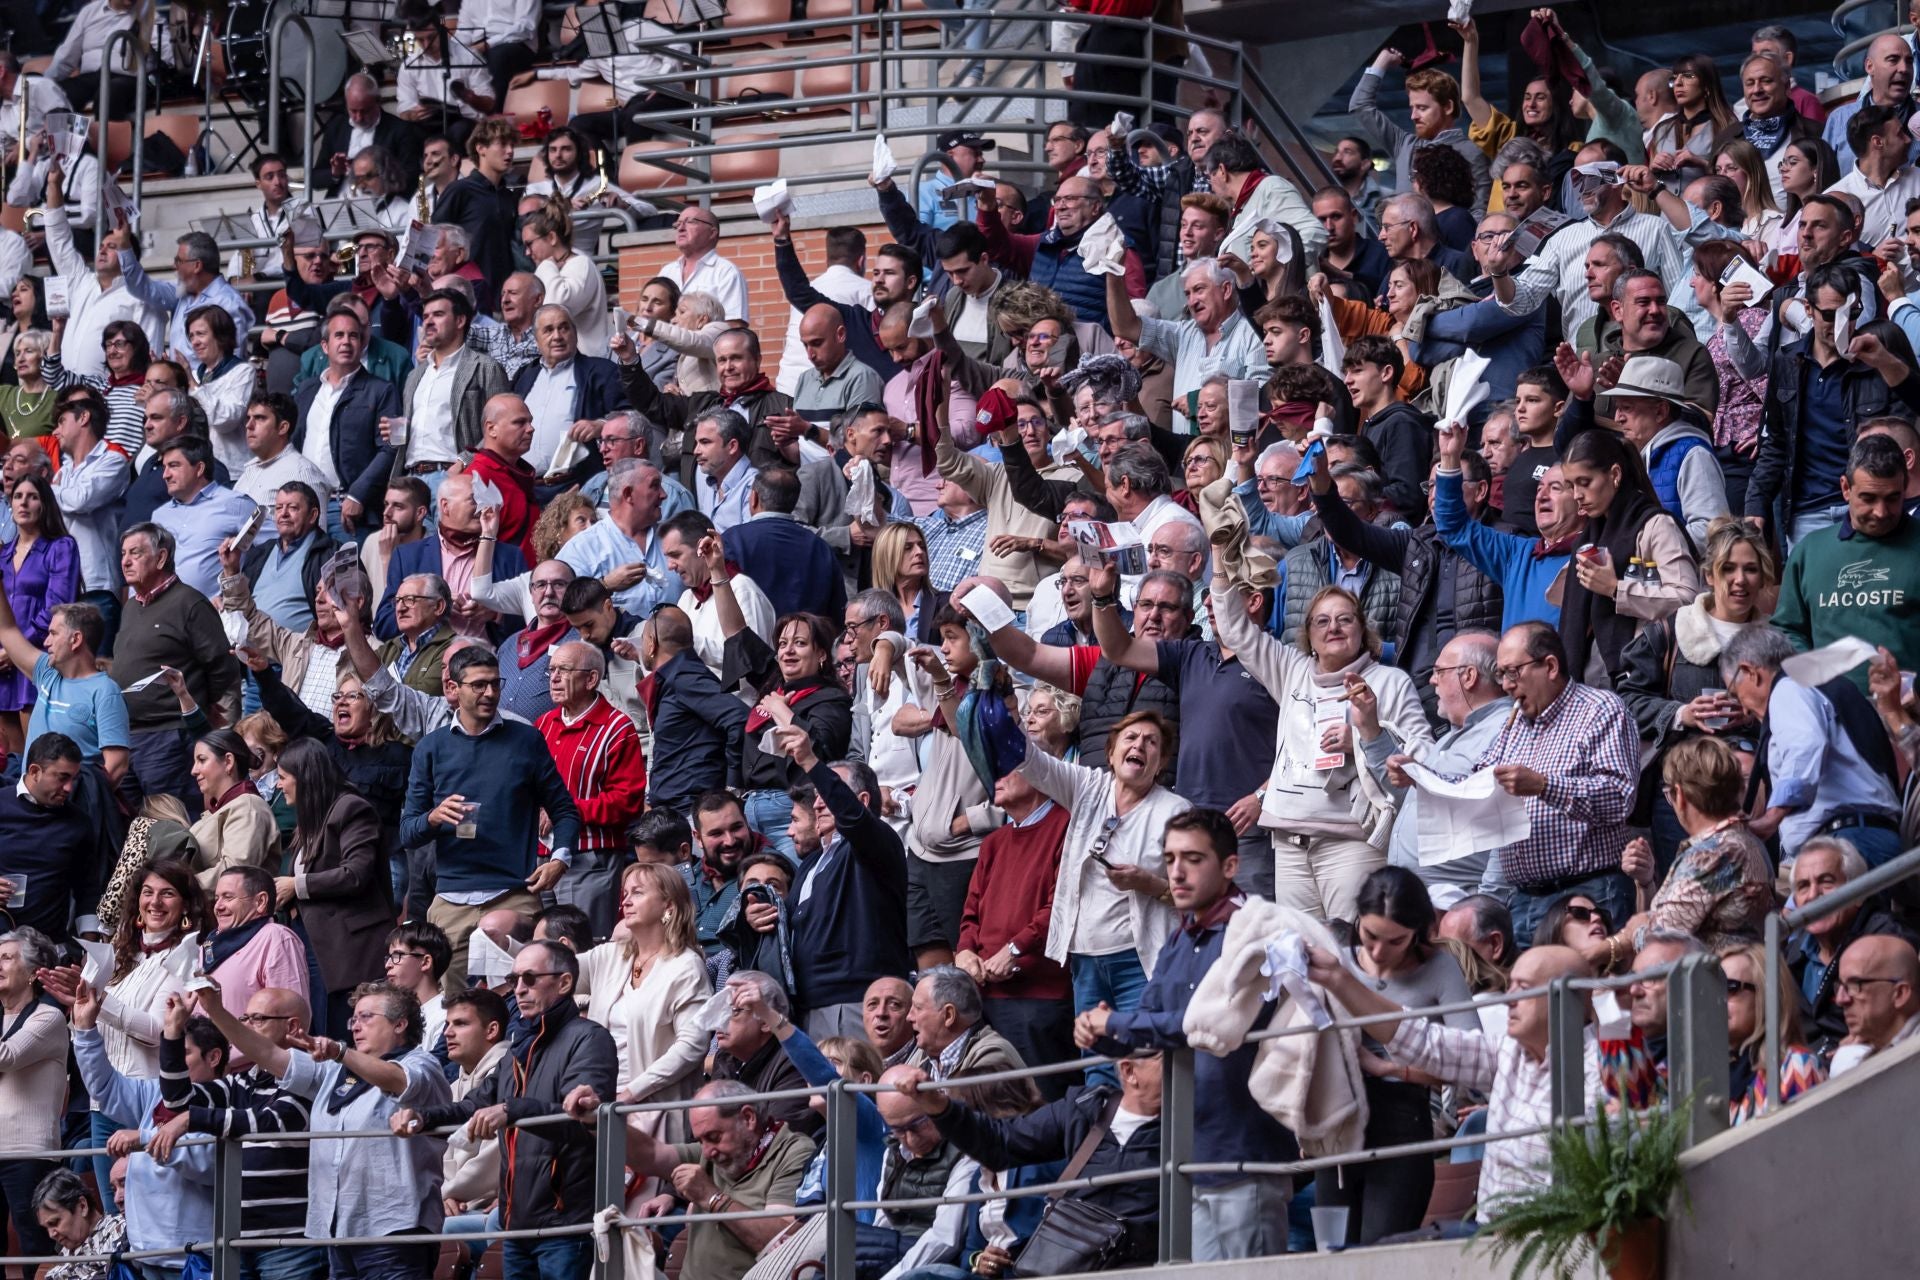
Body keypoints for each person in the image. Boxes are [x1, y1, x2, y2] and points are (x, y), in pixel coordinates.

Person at [1070, 809, 1296, 1258]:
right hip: (1188, 1151)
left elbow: (1204, 1024)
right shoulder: (1181, 936)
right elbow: (1151, 1023)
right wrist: (1099, 1034)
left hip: (1244, 1152)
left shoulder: (1255, 931)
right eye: (1170, 858)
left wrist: (1114, 1023)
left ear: (1230, 866)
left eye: (1192, 858)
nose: (1176, 871)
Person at [199, 977, 454, 1280]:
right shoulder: (335, 1073)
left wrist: (340, 1052)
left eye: (367, 1017)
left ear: (400, 1024)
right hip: (337, 1231)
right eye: (354, 1018)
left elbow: (396, 1080)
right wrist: (215, 1010)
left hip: (393, 1228)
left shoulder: (422, 1064)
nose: (356, 1026)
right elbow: (266, 1054)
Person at [396, 940, 618, 1280]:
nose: (519, 989)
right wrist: (423, 1117)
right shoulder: (519, 1048)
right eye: (515, 980)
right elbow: (473, 1105)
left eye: (530, 978)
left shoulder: (589, 1039)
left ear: (564, 983)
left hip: (566, 1225)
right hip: (517, 1226)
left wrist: (512, 1110)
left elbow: (581, 1120)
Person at [1214, 576, 1432, 921]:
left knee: (1350, 953)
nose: (1334, 628)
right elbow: (1236, 631)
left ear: (1363, 630)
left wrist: (1363, 739)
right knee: (1302, 956)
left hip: (1351, 845)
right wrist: (1220, 568)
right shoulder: (1291, 669)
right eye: (1322, 621)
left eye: (1345, 619)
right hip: (1288, 844)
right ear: (1309, 635)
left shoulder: (1390, 682)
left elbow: (1423, 756)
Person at [401, 647, 582, 993]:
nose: (490, 693)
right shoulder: (431, 748)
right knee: (451, 1007)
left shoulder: (526, 740)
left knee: (517, 995)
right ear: (453, 689)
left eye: (495, 684)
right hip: (452, 896)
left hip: (513, 891)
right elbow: (409, 832)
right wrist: (434, 818)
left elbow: (564, 810)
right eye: (479, 685)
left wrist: (560, 858)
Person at [888, 1051, 1165, 1268]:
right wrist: (939, 1107)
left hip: (1147, 1265)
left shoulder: (1194, 1127)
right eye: (1167, 1057)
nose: (1190, 1066)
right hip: (1075, 1265)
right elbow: (1000, 1144)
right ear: (1129, 1071)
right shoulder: (1084, 1109)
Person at [1461, 622, 1641, 943]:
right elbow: (1477, 778)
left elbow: (1619, 798)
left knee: (1589, 991)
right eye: (1501, 674)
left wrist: (1544, 786)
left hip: (1590, 895)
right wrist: (1420, 776)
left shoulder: (1600, 710)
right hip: (1524, 899)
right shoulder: (1514, 724)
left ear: (1551, 666)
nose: (1505, 685)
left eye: (1513, 672)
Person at [1615, 519, 1776, 872]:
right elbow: (1625, 700)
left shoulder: (1777, 643)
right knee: (1685, 891)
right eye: (1728, 568)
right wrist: (1681, 714)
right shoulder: (1672, 630)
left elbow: (1797, 719)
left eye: (1751, 569)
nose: (1740, 579)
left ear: (1763, 577)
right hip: (1683, 788)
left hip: (1753, 790)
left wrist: (1756, 715)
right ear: (1709, 575)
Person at [151, 985, 325, 1280]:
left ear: (292, 1026)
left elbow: (271, 1123)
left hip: (291, 1241)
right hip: (235, 1236)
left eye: (256, 1019)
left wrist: (192, 1119)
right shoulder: (242, 1081)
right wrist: (172, 1032)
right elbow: (178, 1100)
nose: (245, 1027)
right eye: (244, 1018)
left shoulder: (313, 1073)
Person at [1744, 265, 1920, 545]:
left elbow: (1909, 422)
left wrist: (1886, 362)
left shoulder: (1874, 361)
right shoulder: (1787, 361)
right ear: (1808, 310)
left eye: (1850, 314)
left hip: (1867, 507)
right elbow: (1777, 441)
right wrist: (1756, 501)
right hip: (1807, 512)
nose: (1841, 325)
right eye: (1830, 315)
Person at [70, 975, 222, 1280]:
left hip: (195, 1261)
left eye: (183, 1054)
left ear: (214, 1057)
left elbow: (204, 1163)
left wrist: (144, 1137)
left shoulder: (225, 1098)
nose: (172, 1063)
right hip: (144, 1255)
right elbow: (106, 1088)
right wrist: (86, 1029)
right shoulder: (155, 1093)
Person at [1721, 626, 1904, 867]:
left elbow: (1803, 746)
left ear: (1750, 672)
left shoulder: (1789, 687)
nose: (1743, 708)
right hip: (1864, 838)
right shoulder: (1823, 687)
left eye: (1735, 693)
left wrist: (1771, 818)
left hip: (1844, 844)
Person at [775, 727, 911, 1037]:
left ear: (861, 801)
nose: (818, 804)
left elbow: (853, 819)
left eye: (828, 794)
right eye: (817, 797)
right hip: (808, 1007)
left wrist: (809, 759)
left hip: (856, 1002)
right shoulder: (809, 864)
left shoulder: (876, 844)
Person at [610, 1078, 816, 1280]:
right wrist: (597, 1119)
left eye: (714, 1137)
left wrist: (712, 1198)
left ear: (748, 1118)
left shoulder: (791, 1152)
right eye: (701, 1140)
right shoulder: (713, 1154)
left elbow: (781, 1242)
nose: (707, 1152)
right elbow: (651, 1154)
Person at [953, 764, 1074, 1094]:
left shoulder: (1067, 825)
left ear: (1040, 776)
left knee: (1042, 1104)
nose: (996, 776)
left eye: (1008, 769)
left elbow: (1063, 906)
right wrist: (965, 951)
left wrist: (1015, 948)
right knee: (992, 1109)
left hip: (1039, 999)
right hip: (985, 998)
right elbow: (971, 912)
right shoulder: (994, 842)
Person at [1554, 427, 1701, 681]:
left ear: (1615, 475)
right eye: (1571, 485)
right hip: (1590, 671)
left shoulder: (1656, 526)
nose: (1577, 495)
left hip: (1642, 673)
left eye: (1584, 482)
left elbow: (1687, 599)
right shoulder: (1587, 537)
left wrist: (1615, 589)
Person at [112, 523, 241, 809]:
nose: (125, 560)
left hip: (169, 735)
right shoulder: (131, 607)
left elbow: (223, 668)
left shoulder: (190, 603)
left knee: (170, 825)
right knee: (135, 829)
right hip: (126, 736)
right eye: (123, 553)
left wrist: (198, 709)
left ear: (160, 558)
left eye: (135, 552)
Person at [576, 862, 710, 1134]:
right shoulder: (610, 955)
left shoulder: (686, 966)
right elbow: (554, 971)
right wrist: (509, 945)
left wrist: (632, 1092)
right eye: (625, 893)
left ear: (668, 906)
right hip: (600, 1103)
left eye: (637, 893)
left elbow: (692, 1046)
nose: (625, 900)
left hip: (653, 1108)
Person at [273, 738, 393, 1036]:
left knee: (343, 1036)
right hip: (315, 946)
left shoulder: (351, 809)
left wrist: (297, 886)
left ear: (304, 778)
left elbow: (356, 873)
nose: (278, 786)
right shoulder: (312, 818)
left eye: (282, 777)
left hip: (349, 953)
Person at [1771, 433, 1920, 673]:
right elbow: (1787, 628)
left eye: (1892, 498)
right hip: (1829, 706)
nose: (1881, 512)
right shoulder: (1810, 551)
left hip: (1907, 707)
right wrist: (1816, 681)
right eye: (1868, 498)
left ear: (1905, 489)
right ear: (1845, 488)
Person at [537, 640, 647, 936]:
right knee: (546, 950)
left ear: (591, 679)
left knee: (583, 952)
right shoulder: (543, 725)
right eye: (551, 671)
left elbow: (628, 802)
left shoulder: (618, 728)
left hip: (589, 857)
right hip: (540, 856)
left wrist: (566, 810)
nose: (555, 678)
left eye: (564, 670)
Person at [1786, 836, 1917, 1059]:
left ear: (1858, 893)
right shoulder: (1791, 955)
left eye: (1826, 881)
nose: (1813, 895)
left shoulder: (1889, 937)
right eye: (1803, 886)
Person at [294, 308, 403, 541]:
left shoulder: (382, 391)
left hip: (347, 508)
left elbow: (392, 446)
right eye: (339, 335)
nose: (346, 342)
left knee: (349, 578)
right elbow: (294, 444)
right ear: (325, 346)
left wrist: (357, 495)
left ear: (362, 344)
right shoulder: (307, 390)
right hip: (303, 507)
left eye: (353, 336)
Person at [635, 611, 750, 818]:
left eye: (642, 640)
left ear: (651, 643)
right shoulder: (676, 677)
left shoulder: (685, 677)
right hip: (673, 809)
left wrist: (732, 787)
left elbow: (740, 717)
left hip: (691, 809)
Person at [0, 928, 69, 1258]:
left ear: (31, 974)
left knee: (34, 1244)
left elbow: (8, 1057)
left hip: (27, 1151)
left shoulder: (49, 1016)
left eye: (6, 958)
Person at [394, 290, 510, 478]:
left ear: (460, 321)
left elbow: (502, 427)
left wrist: (465, 462)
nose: (428, 321)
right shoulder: (415, 375)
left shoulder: (485, 368)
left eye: (438, 314)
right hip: (410, 479)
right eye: (425, 316)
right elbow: (405, 440)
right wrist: (395, 432)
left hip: (455, 476)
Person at [0, 472, 77, 751]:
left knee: (36, 755)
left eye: (32, 497)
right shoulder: (2, 553)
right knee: (7, 761)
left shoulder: (61, 548)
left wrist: (15, 650)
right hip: (3, 665)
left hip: (38, 660)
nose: (23, 503)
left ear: (44, 504)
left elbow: (57, 607)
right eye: (18, 497)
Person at [116, 223, 256, 363]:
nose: (174, 266)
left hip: (208, 384)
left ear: (197, 266)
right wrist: (124, 247)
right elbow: (142, 287)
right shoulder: (181, 291)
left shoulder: (228, 303)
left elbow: (231, 365)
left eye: (179, 261)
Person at [48, 386, 132, 602]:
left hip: (97, 582)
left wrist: (51, 490)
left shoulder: (113, 460)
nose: (55, 432)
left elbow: (80, 500)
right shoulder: (64, 471)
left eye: (61, 422)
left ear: (83, 417)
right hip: (62, 581)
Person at [187, 728, 280, 889]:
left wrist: (181, 886)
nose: (194, 770)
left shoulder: (248, 807)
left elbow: (235, 873)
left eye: (202, 760)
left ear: (228, 762)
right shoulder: (223, 808)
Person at [1829, 934, 1920, 1073]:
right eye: (1840, 986)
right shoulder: (1849, 1062)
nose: (1841, 999)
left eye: (1855, 985)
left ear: (1900, 994)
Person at [32, 1167, 127, 1280]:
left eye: (55, 1222)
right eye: (46, 1228)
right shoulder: (64, 1255)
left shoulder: (120, 1234)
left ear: (82, 1206)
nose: (51, 1234)